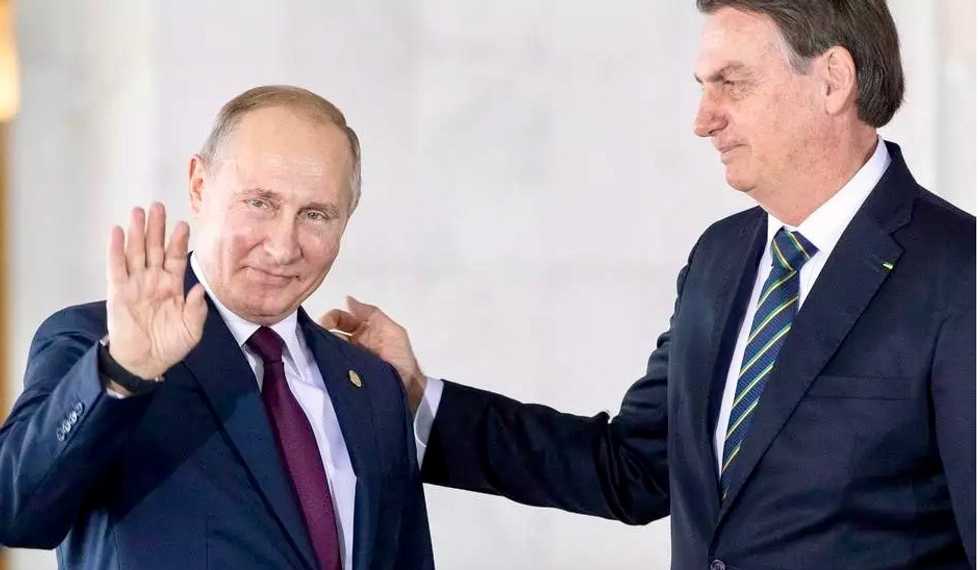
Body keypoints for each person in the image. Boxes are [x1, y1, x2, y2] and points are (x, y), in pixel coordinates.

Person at [324, 2, 975, 568]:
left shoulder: (959, 272)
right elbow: (632, 469)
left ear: (832, 80)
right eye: (703, 87)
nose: (703, 119)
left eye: (731, 83)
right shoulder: (721, 258)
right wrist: (418, 399)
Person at [0, 86, 434, 570]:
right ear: (199, 186)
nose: (282, 247)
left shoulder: (372, 385)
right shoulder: (97, 344)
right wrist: (122, 370)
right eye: (260, 203)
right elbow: (17, 514)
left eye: (315, 215)